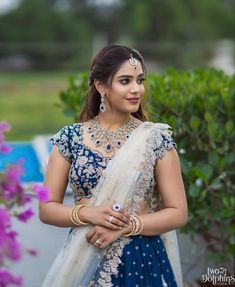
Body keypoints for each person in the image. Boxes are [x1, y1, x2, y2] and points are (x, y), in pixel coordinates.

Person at [39, 44, 188, 287]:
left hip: (141, 258)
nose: (136, 89)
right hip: (84, 255)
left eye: (140, 80)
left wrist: (125, 226)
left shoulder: (155, 139)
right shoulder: (70, 138)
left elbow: (178, 213)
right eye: (125, 81)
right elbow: (47, 208)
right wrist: (87, 213)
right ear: (101, 86)